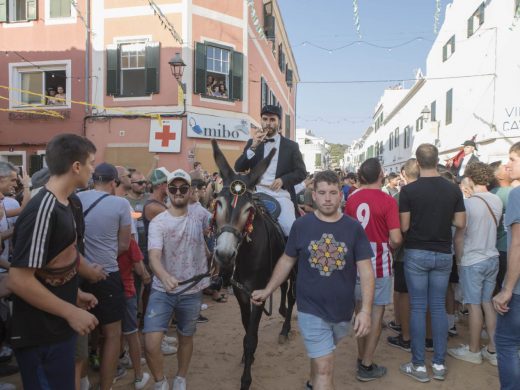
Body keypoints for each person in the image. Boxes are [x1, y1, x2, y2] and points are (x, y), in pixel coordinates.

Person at [251, 170, 375, 390]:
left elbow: (366, 271)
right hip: (310, 308)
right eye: (322, 192)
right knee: (326, 366)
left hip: (342, 312)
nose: (327, 198)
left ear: (341, 195)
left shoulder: (354, 228)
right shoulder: (301, 226)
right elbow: (287, 261)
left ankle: (312, 382)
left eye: (333, 192)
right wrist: (268, 289)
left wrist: (364, 310)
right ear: (314, 196)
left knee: (321, 358)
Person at [7, 134, 100, 389]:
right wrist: (71, 311)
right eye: (91, 163)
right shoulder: (43, 208)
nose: (94, 169)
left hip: (57, 330)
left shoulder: (67, 203)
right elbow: (19, 279)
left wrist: (75, 293)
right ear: (76, 166)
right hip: (41, 335)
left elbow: (54, 261)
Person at [399, 144, 466, 383]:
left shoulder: (409, 191)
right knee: (437, 308)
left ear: (417, 163)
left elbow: (404, 227)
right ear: (437, 160)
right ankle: (438, 364)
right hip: (443, 252)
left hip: (416, 252)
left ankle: (418, 365)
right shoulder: (453, 190)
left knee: (418, 308)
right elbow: (460, 222)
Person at [144, 169, 211, 390]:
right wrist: (164, 276)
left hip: (192, 290)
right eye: (173, 188)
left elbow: (219, 226)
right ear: (168, 190)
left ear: (191, 191)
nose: (178, 192)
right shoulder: (158, 222)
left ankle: (181, 377)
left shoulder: (200, 216)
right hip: (162, 290)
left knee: (186, 337)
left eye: (183, 188)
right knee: (152, 342)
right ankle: (160, 381)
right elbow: (153, 256)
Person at [345, 158, 402, 381]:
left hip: (355, 264)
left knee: (360, 312)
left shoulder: (352, 198)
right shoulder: (388, 201)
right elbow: (396, 238)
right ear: (381, 175)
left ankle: (361, 357)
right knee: (376, 314)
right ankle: (367, 365)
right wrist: (390, 244)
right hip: (380, 264)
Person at [78, 163, 132, 390]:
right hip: (108, 273)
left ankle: (81, 381)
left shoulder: (77, 198)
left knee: (80, 331)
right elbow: (124, 244)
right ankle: (106, 386)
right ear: (113, 183)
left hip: (78, 273)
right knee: (112, 334)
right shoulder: (121, 203)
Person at [449, 162, 501, 366]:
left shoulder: (468, 204)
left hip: (473, 259)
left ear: (470, 178)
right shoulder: (496, 200)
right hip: (492, 256)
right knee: (487, 303)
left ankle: (473, 350)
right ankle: (493, 349)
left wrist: (460, 262)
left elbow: (459, 237)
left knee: (474, 305)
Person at [235, 104, 306, 236]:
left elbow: (301, 172)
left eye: (272, 120)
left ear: (279, 123)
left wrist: (283, 180)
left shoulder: (291, 146)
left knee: (289, 228)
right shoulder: (252, 143)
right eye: (265, 119)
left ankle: (289, 256)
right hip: (255, 193)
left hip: (281, 195)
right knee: (235, 225)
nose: (268, 123)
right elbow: (239, 167)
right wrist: (253, 147)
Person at [493, 142, 520, 390]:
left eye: (512, 159)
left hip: (519, 290)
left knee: (507, 343)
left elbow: (518, 244)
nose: (507, 164)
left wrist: (508, 288)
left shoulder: (517, 194)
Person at [387, 158, 419, 352]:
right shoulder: (432, 192)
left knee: (403, 294)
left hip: (404, 254)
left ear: (403, 175)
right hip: (431, 251)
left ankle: (405, 335)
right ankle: (428, 338)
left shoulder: (401, 196)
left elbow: (397, 230)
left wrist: (392, 246)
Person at [489, 161, 513, 295]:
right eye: (504, 167)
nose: (508, 166)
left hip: (497, 248)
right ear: (499, 176)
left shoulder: (491, 194)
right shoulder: (511, 193)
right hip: (507, 248)